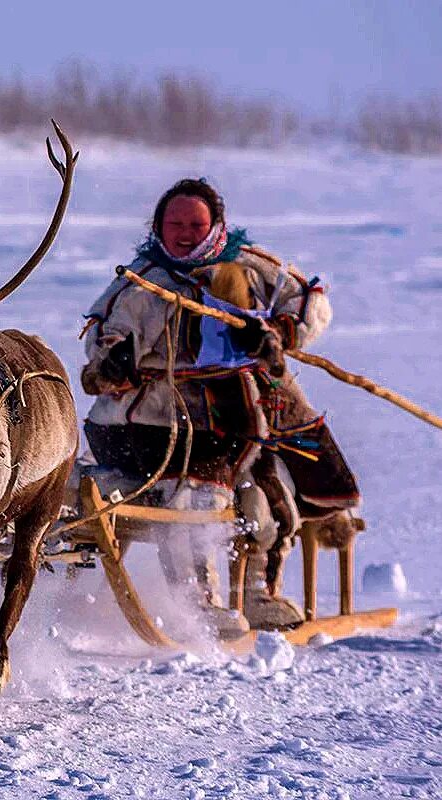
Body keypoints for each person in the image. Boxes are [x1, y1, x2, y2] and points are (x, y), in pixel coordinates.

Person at [80, 178, 361, 635]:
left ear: (217, 226)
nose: (185, 233)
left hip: (243, 412)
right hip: (155, 422)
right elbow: (104, 334)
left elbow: (311, 300)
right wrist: (116, 359)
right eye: (175, 224)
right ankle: (197, 604)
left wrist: (279, 332)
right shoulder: (142, 282)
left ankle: (256, 594)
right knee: (194, 495)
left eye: (196, 223)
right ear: (159, 227)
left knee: (267, 490)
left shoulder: (249, 266)